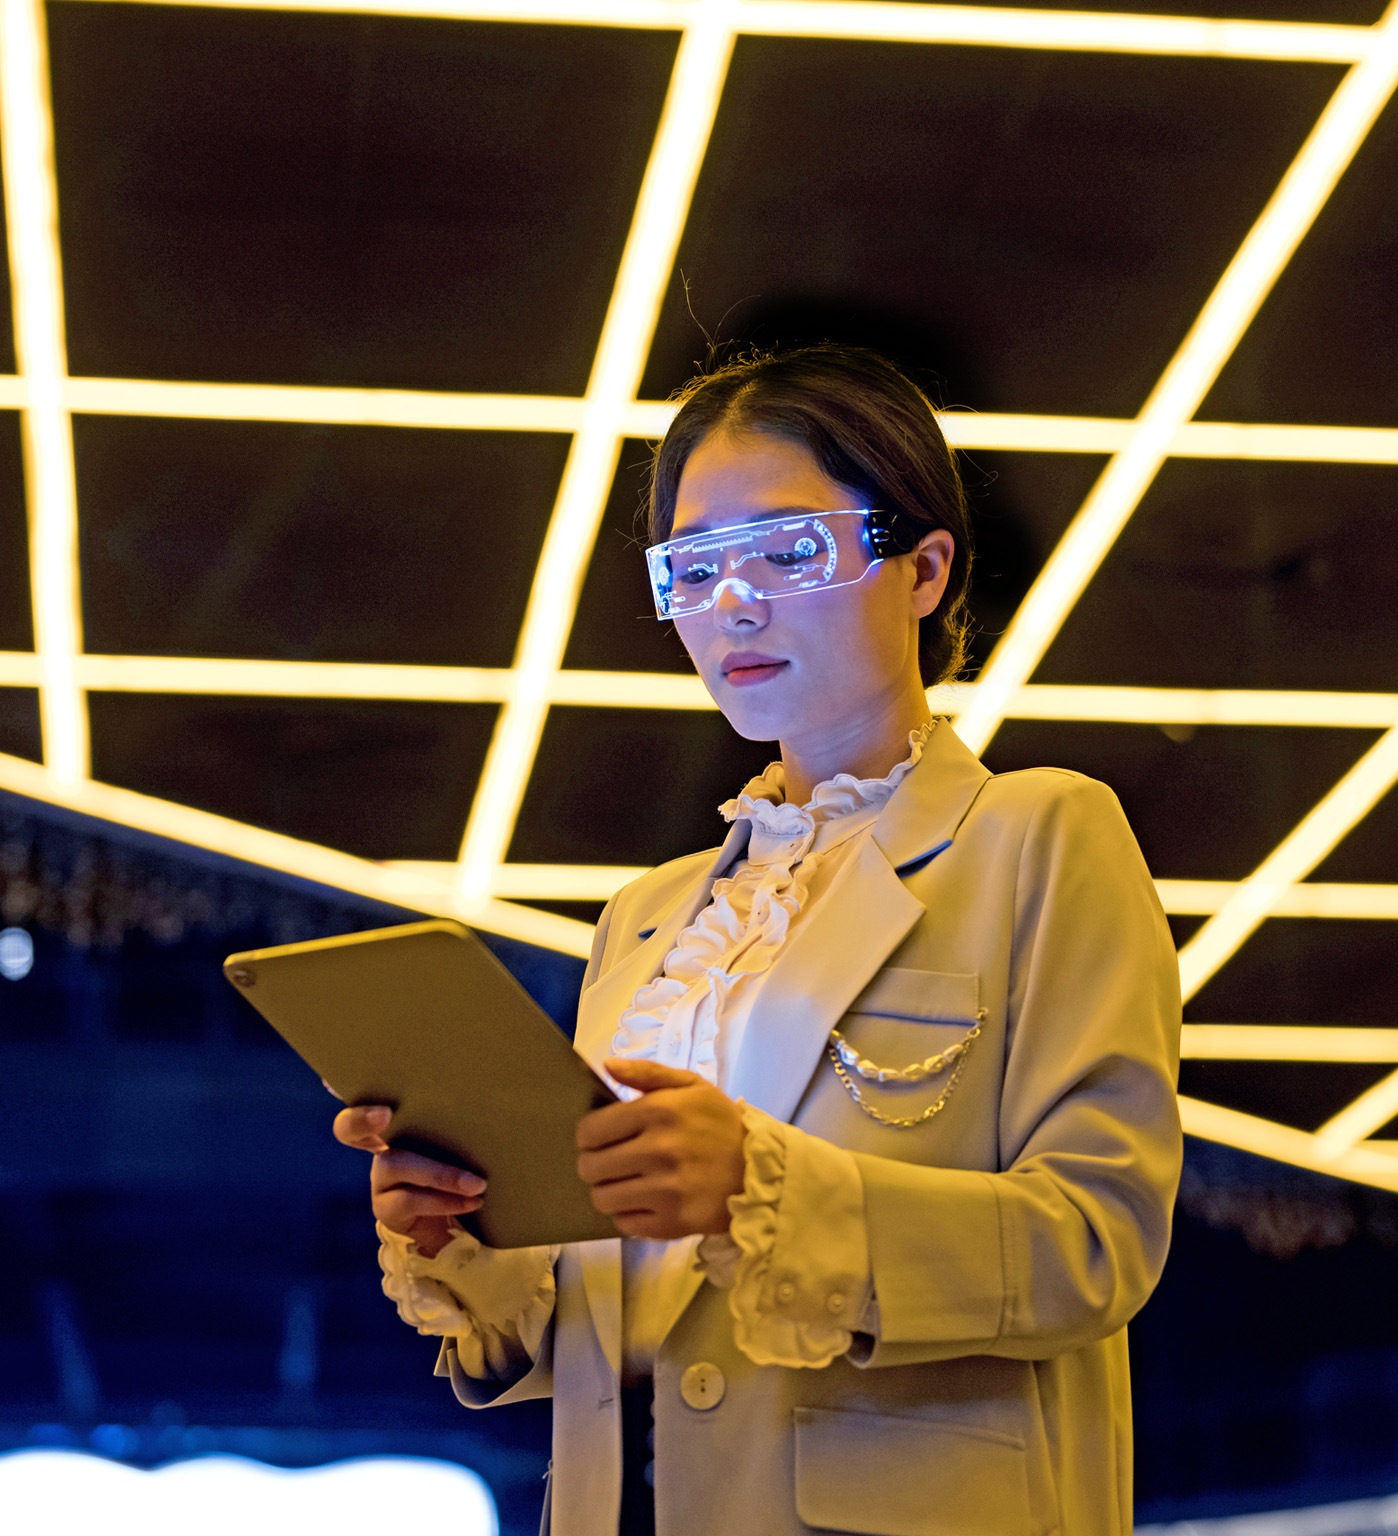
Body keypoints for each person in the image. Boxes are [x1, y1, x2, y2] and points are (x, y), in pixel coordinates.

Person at [333, 344, 1182, 1536]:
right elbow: (622, 1318)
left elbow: (1098, 1242)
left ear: (924, 568)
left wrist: (762, 1186)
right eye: (693, 567)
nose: (732, 603)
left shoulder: (1038, 836)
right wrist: (470, 1235)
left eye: (789, 552)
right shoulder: (647, 917)